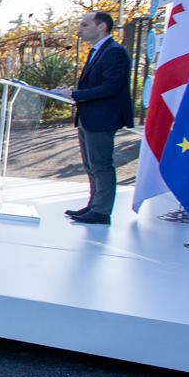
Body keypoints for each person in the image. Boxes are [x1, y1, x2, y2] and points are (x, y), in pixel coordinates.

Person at [52, 11, 133, 226]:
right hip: (89, 116)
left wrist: (76, 95)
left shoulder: (114, 52)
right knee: (91, 164)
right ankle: (94, 204)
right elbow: (95, 83)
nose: (79, 30)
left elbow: (111, 87)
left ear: (102, 27)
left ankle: (101, 211)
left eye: (84, 25)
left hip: (102, 117)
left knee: (101, 164)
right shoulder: (98, 51)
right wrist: (71, 92)